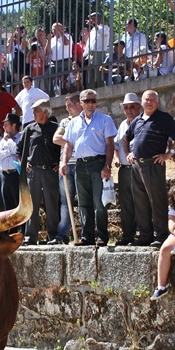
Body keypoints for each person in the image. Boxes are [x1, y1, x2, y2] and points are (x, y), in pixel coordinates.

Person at [124, 90, 175, 247]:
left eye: (152, 99)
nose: (149, 102)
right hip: (137, 165)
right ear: (142, 102)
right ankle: (145, 236)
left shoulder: (164, 118)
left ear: (157, 102)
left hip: (154, 164)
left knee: (157, 201)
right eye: (146, 99)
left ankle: (161, 235)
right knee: (140, 202)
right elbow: (125, 138)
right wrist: (127, 153)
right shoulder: (137, 120)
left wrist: (168, 155)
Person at [62, 89, 117, 246]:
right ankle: (87, 236)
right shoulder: (73, 123)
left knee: (99, 202)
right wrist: (64, 162)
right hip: (80, 164)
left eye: (93, 101)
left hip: (98, 163)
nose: (91, 104)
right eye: (87, 101)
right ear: (81, 103)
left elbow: (110, 144)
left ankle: (102, 236)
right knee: (83, 202)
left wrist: (107, 165)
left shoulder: (105, 120)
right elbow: (69, 145)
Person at [18, 100, 61, 245]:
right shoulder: (29, 129)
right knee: (32, 205)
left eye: (36, 110)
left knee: (52, 205)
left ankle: (53, 235)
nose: (34, 113)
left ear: (45, 112)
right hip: (33, 173)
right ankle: (30, 236)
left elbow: (63, 147)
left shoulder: (56, 128)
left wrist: (59, 163)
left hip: (50, 171)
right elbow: (19, 149)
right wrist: (25, 164)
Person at [53, 93, 82, 244]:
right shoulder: (65, 121)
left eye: (70, 105)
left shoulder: (85, 119)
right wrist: (72, 142)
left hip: (82, 164)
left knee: (84, 200)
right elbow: (56, 138)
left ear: (78, 104)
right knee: (66, 202)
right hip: (66, 164)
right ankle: (62, 234)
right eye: (66, 106)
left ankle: (86, 233)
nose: (67, 109)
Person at [114, 93, 142, 245]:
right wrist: (117, 158)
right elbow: (116, 145)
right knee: (126, 205)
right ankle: (127, 236)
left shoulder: (143, 122)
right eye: (126, 108)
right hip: (124, 169)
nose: (129, 110)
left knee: (141, 203)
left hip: (139, 169)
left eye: (132, 107)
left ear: (139, 107)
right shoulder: (123, 125)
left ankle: (143, 235)